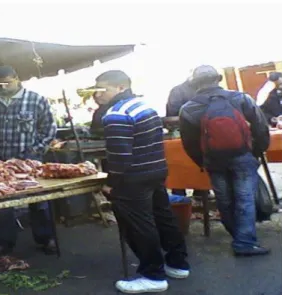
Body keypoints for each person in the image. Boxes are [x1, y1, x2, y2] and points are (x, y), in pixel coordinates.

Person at [95, 70, 190, 294]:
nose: (98, 94)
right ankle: (178, 264)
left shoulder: (116, 114)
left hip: (133, 178)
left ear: (120, 88)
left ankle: (153, 275)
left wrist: (111, 183)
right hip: (155, 171)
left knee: (139, 225)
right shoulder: (144, 105)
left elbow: (119, 157)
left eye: (103, 89)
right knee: (163, 217)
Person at [0, 65, 57, 260]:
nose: (4, 87)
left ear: (17, 79)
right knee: (1, 203)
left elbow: (49, 128)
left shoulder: (35, 100)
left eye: (8, 83)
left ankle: (45, 238)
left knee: (39, 201)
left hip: (29, 160)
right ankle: (4, 242)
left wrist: (36, 150)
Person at [179, 65, 270, 256]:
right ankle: (244, 242)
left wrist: (202, 161)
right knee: (245, 198)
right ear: (217, 79)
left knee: (224, 199)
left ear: (195, 84)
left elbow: (189, 142)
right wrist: (257, 151)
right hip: (243, 155)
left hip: (214, 160)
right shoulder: (241, 98)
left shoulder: (188, 109)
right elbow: (260, 126)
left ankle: (236, 235)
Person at [165, 75, 210, 199]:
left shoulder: (179, 91)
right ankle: (183, 196)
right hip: (184, 132)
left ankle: (196, 194)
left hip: (191, 132)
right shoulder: (178, 91)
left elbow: (171, 112)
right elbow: (172, 114)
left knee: (186, 164)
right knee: (183, 164)